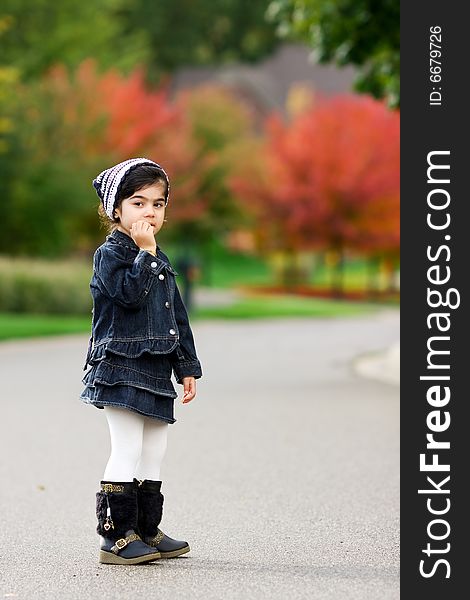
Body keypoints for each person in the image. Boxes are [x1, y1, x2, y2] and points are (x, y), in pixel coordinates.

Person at [80, 157, 203, 565]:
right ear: (115, 209)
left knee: (155, 448)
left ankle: (147, 530)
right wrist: (146, 254)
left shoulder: (159, 259)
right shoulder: (110, 255)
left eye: (158, 203)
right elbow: (128, 296)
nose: (149, 211)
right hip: (120, 366)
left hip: (155, 369)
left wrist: (186, 366)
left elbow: (176, 318)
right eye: (138, 202)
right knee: (128, 447)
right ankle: (114, 537)